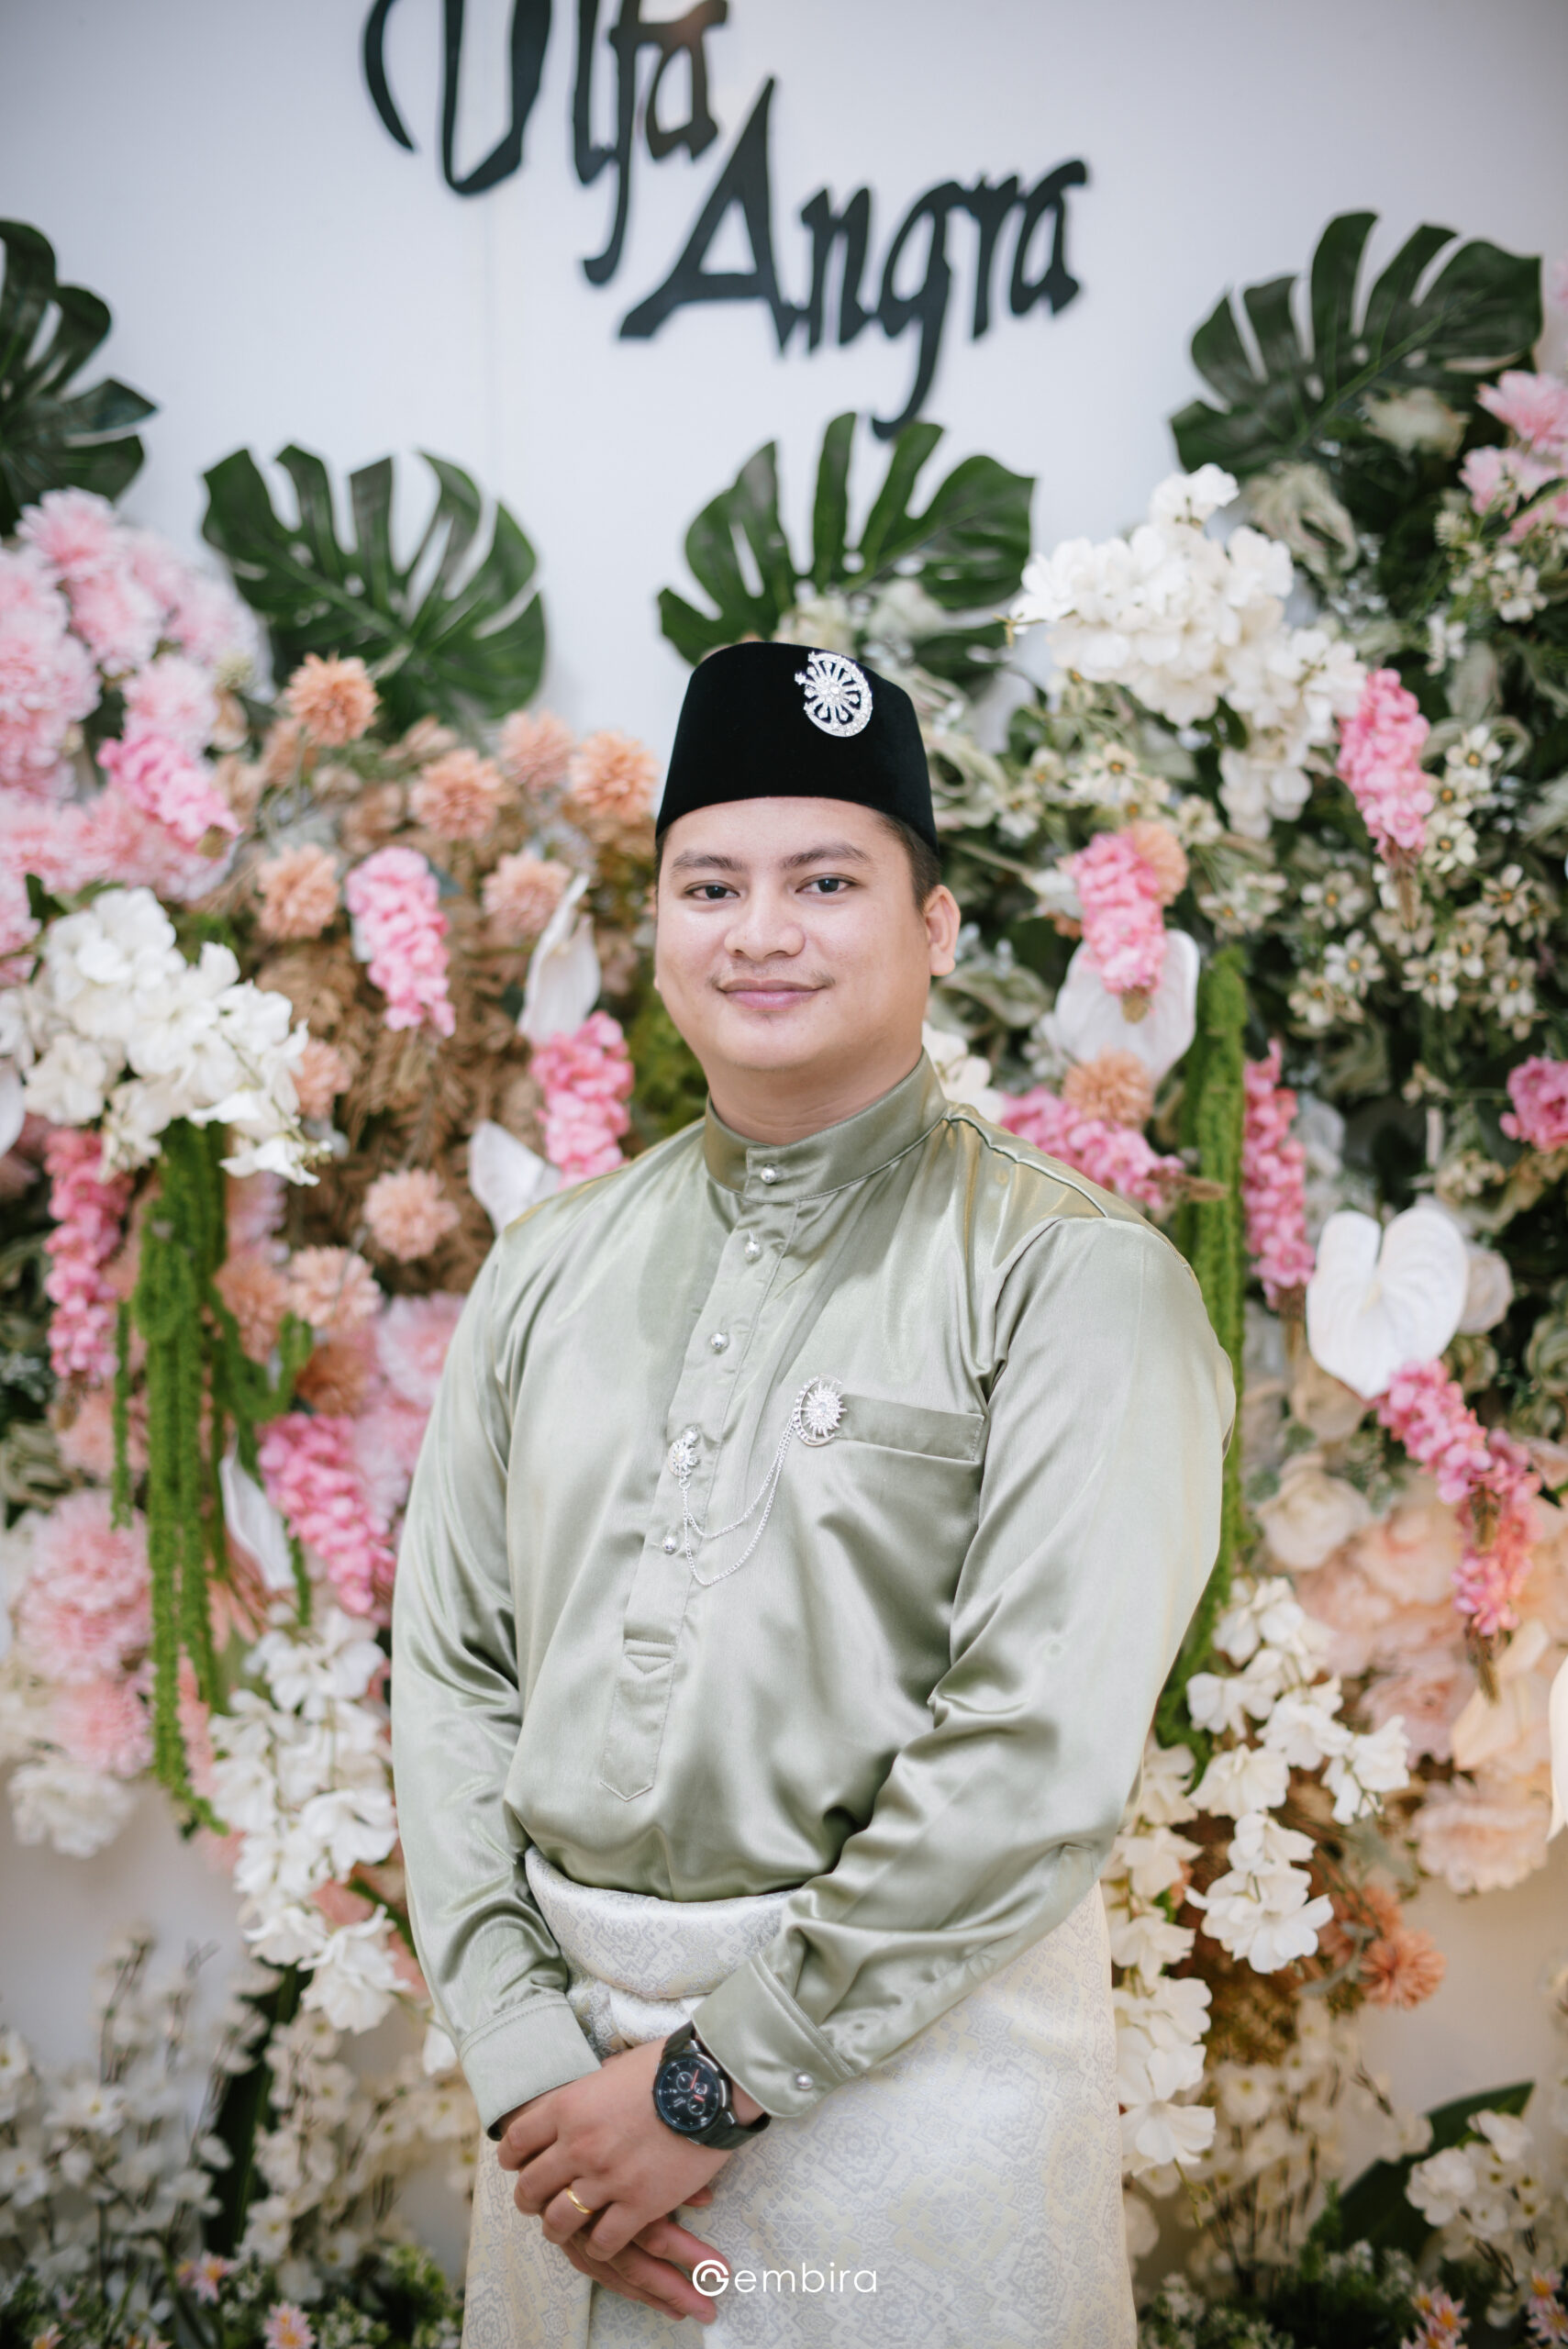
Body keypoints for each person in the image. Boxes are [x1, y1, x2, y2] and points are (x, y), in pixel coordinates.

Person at [392, 640, 1233, 2347]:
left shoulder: (1069, 1278)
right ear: (657, 927)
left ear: (934, 927)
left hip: (917, 2089)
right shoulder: (548, 1266)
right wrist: (528, 2058)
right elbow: (453, 1673)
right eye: (709, 884)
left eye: (825, 881)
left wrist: (706, 2086)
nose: (758, 930)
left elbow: (1034, 1752)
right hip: (566, 2121)